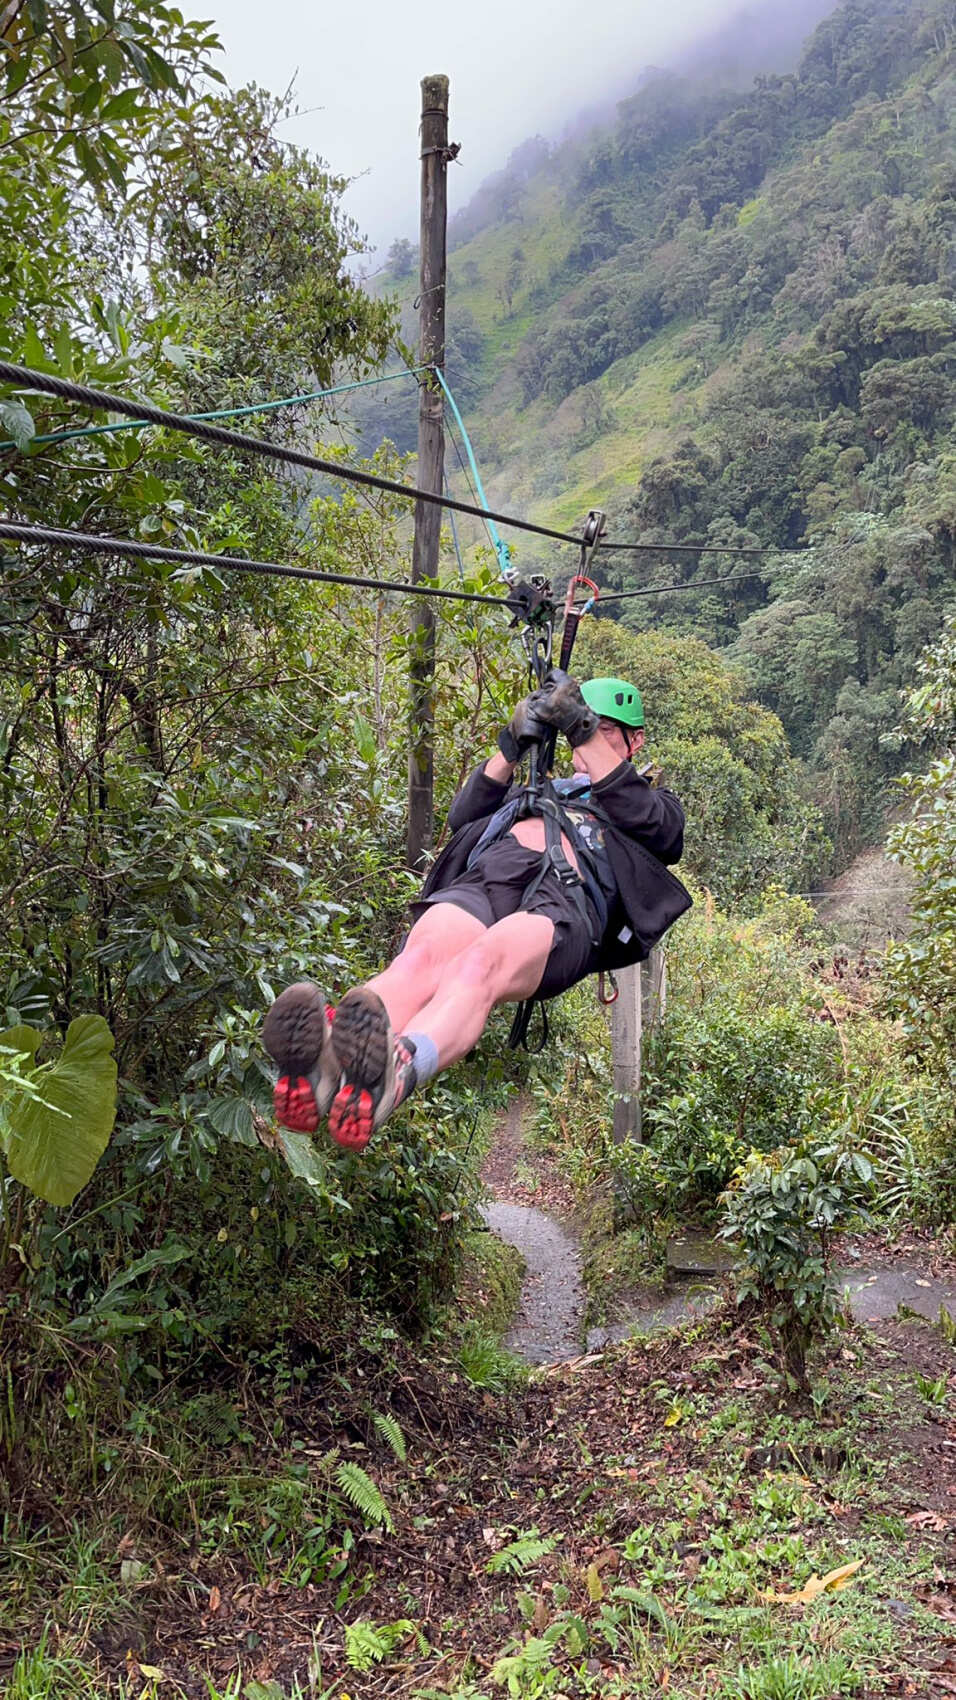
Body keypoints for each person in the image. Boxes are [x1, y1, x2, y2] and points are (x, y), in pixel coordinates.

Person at [262, 671, 691, 1152]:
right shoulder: (536, 790)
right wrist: (511, 746)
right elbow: (463, 817)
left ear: (634, 742)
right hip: (495, 873)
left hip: (565, 898)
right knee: (419, 958)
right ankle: (324, 1063)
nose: (591, 740)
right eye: (589, 729)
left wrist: (580, 726)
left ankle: (400, 1066)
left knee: (478, 964)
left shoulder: (655, 803)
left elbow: (659, 831)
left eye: (606, 730)